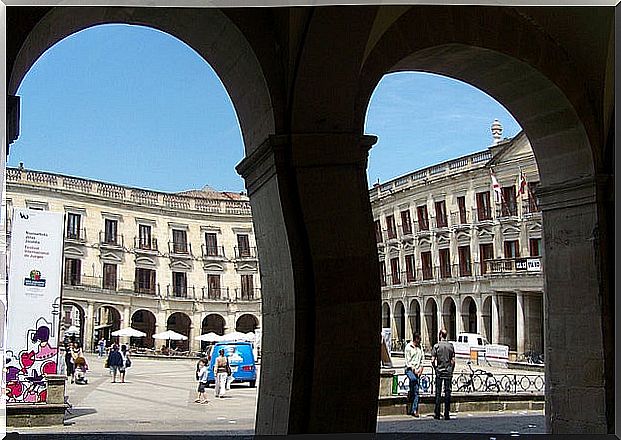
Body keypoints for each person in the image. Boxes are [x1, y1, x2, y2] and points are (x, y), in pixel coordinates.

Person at [431, 329, 455, 420]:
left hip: (439, 372)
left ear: (440, 335)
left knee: (438, 392)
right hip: (448, 372)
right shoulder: (451, 346)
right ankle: (447, 414)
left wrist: (435, 368)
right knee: (447, 393)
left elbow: (432, 360)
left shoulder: (436, 346)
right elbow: (453, 361)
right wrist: (451, 370)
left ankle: (437, 414)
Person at [404, 332, 424, 417]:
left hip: (418, 370)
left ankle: (414, 410)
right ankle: (410, 393)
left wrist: (421, 369)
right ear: (415, 339)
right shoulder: (408, 347)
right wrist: (413, 369)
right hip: (410, 369)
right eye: (419, 339)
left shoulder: (420, 347)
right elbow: (407, 361)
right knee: (413, 380)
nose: (420, 341)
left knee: (416, 391)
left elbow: (422, 359)